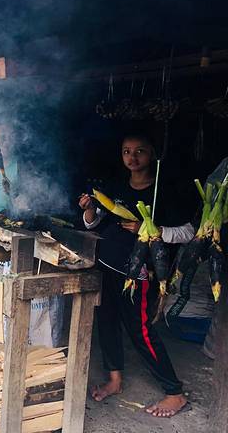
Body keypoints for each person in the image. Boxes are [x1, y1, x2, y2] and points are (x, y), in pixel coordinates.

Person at [78, 132, 193, 418]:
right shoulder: (117, 187)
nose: (132, 157)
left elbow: (188, 233)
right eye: (126, 151)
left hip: (138, 273)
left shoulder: (164, 191)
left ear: (152, 154)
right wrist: (89, 211)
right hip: (106, 265)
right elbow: (95, 224)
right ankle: (115, 379)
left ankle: (174, 392)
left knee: (140, 330)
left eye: (139, 151)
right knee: (106, 321)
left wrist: (149, 228)